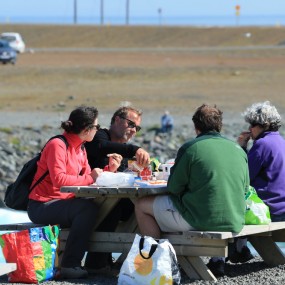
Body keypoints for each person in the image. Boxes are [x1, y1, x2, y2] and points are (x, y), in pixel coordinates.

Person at [135, 104, 250, 276]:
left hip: (201, 219)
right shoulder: (238, 150)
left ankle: (157, 263)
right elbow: (245, 188)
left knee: (142, 205)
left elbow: (173, 187)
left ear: (196, 127)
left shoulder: (191, 148)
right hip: (235, 218)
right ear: (220, 126)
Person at [27, 106, 122, 279]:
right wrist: (92, 176)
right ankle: (70, 264)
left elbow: (89, 177)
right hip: (42, 204)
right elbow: (60, 180)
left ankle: (97, 262)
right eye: (97, 127)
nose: (98, 130)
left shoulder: (81, 148)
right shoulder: (57, 144)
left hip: (62, 202)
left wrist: (110, 169)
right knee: (87, 209)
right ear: (87, 129)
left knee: (104, 206)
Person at [84, 105, 150, 272]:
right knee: (114, 204)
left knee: (143, 204)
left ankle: (126, 259)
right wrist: (134, 149)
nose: (134, 130)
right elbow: (100, 146)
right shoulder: (100, 137)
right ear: (117, 120)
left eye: (137, 127)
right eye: (131, 124)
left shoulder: (120, 148)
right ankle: (97, 262)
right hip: (84, 197)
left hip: (105, 198)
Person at [233, 101, 285, 262]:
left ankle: (234, 253)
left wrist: (241, 147)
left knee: (230, 204)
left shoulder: (262, 145)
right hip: (282, 207)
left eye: (253, 124)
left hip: (269, 210)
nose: (250, 128)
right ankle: (239, 251)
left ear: (265, 125)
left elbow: (243, 176)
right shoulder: (281, 142)